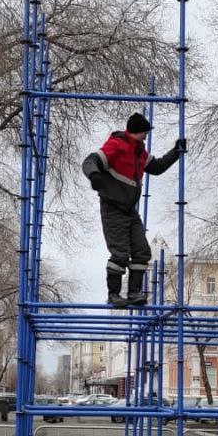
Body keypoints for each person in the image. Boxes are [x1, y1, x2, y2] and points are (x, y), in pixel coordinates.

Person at [83, 112, 185, 307]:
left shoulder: (139, 151)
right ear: (137, 131)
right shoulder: (117, 145)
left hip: (130, 210)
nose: (146, 135)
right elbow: (90, 161)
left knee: (141, 251)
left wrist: (176, 152)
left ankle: (134, 293)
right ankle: (113, 294)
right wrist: (94, 176)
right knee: (120, 254)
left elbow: (156, 167)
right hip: (112, 208)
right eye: (145, 132)